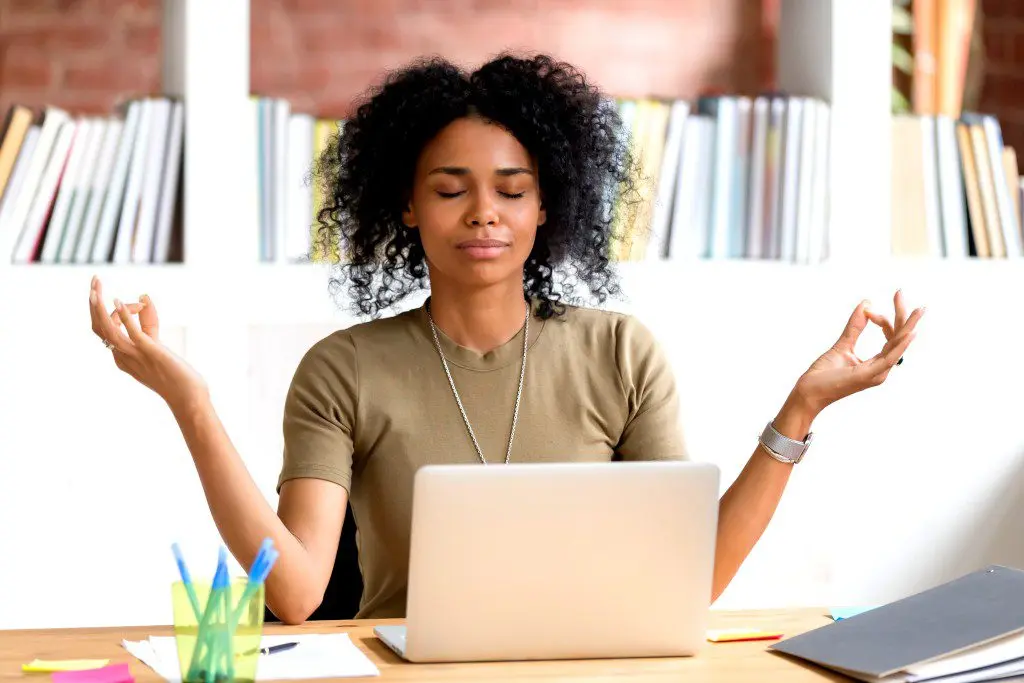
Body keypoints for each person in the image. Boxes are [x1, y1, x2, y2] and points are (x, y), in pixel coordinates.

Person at [88, 53, 923, 625]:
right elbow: (299, 594)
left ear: (546, 205)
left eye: (511, 190)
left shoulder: (622, 355)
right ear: (407, 206)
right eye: (451, 189)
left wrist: (803, 405)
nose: (484, 213)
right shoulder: (342, 369)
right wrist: (189, 402)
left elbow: (689, 580)